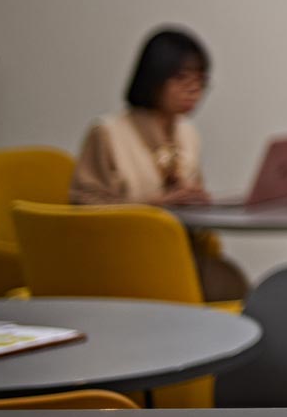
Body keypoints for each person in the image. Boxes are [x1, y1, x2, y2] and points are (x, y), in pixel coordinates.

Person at [72, 27, 246, 301]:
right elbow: (84, 209)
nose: (193, 89)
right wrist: (155, 204)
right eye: (181, 78)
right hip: (124, 259)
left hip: (179, 252)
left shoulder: (188, 133)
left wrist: (196, 199)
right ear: (153, 78)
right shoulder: (108, 132)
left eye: (201, 80)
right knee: (221, 288)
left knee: (235, 285)